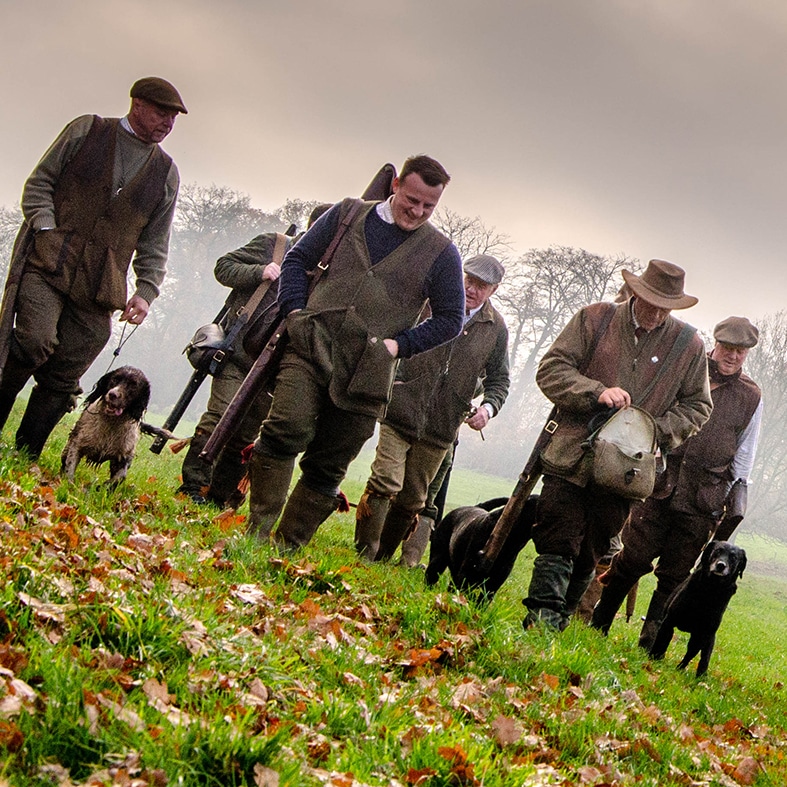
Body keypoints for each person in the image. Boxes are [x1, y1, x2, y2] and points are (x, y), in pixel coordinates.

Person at [246, 154, 465, 550]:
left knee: (329, 463)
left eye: (428, 206)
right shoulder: (347, 214)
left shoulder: (441, 252)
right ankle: (257, 536)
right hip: (311, 343)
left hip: (370, 370)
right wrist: (295, 311)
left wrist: (400, 346)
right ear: (396, 184)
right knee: (284, 430)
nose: (417, 211)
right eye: (411, 200)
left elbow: (452, 318)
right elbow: (297, 260)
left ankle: (286, 546)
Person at [522, 259, 713, 631]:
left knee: (592, 548)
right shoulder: (594, 318)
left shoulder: (689, 345)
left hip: (627, 470)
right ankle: (541, 620)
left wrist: (652, 429)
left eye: (665, 306)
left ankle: (559, 621)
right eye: (650, 301)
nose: (656, 312)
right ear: (636, 292)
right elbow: (551, 369)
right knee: (557, 537)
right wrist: (596, 392)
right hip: (572, 451)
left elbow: (698, 406)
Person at [0, 77, 185, 459]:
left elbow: (155, 241)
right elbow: (39, 183)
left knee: (66, 371)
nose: (168, 123)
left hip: (101, 286)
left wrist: (146, 291)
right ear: (136, 104)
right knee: (34, 342)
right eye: (161, 113)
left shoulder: (166, 172)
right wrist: (45, 227)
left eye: (173, 118)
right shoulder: (88, 130)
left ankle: (24, 453)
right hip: (48, 262)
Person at [591, 315, 761, 647]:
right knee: (632, 560)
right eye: (728, 348)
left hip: (704, 499)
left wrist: (735, 494)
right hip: (659, 484)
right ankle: (599, 621)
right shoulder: (688, 370)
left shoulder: (751, 396)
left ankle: (651, 642)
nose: (733, 356)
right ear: (716, 345)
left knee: (675, 575)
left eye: (741, 351)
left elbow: (746, 451)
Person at [354, 254, 509, 564]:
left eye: (481, 285)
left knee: (412, 499)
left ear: (494, 289)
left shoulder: (496, 328)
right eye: (469, 280)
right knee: (385, 480)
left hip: (441, 428)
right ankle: (364, 553)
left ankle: (382, 556)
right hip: (400, 410)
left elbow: (500, 381)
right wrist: (391, 380)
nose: (471, 289)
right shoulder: (431, 304)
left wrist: (487, 409)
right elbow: (393, 337)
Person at [178, 204, 332, 507]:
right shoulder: (273, 246)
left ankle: (218, 498)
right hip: (238, 355)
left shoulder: (331, 275)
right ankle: (193, 486)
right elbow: (223, 267)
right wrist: (259, 271)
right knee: (219, 417)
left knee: (245, 436)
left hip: (276, 369)